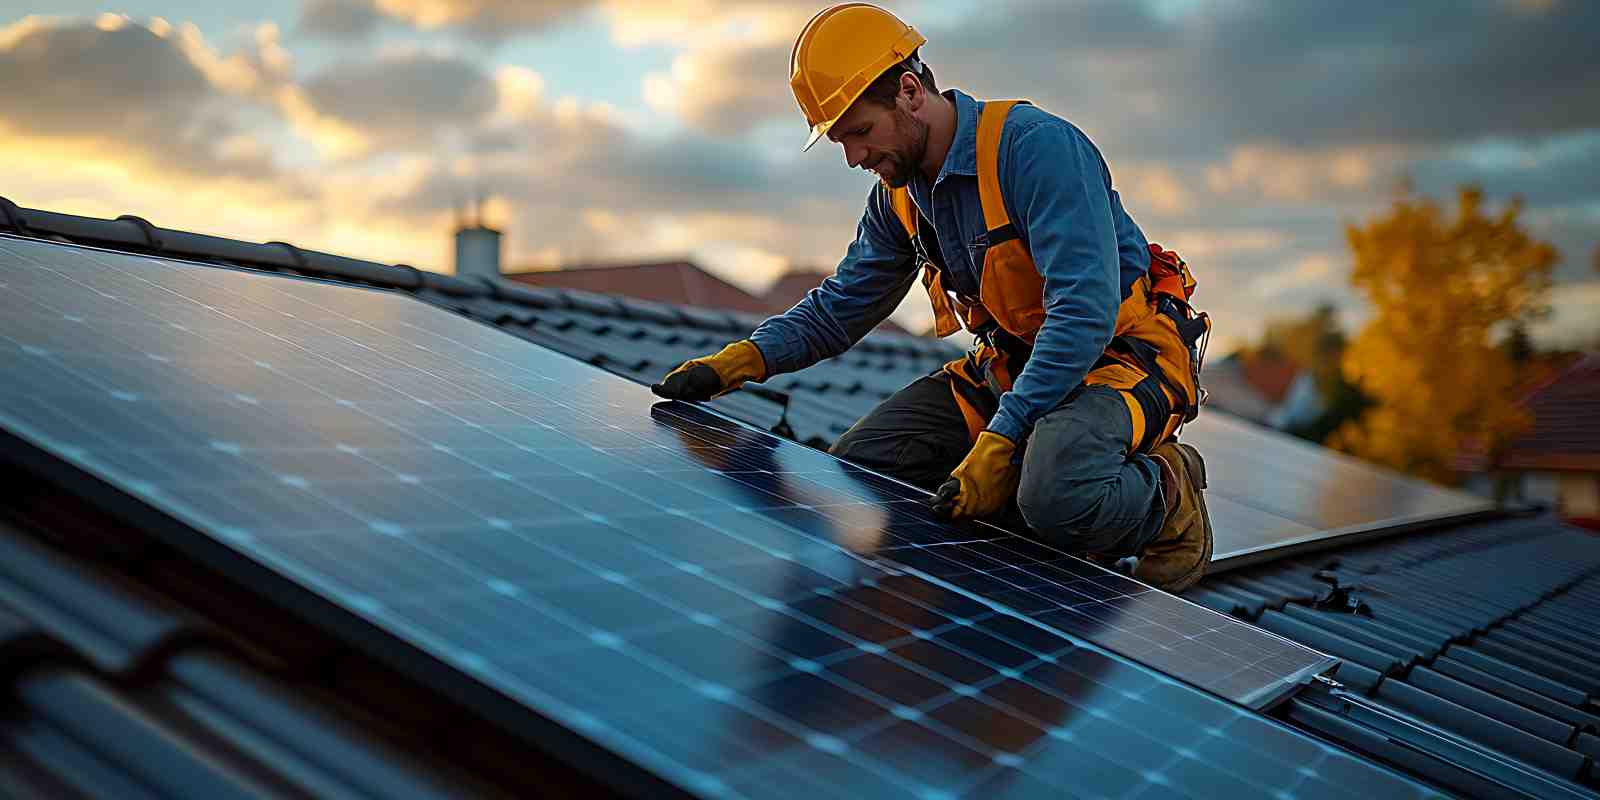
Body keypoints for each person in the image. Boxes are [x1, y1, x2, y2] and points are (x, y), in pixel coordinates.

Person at [652, 2, 1214, 592]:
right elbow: (840, 308)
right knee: (860, 472)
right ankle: (1030, 502)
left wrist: (1004, 434)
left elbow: (1084, 313)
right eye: (841, 141)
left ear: (911, 92)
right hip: (1014, 369)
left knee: (1055, 491)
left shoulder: (1035, 150)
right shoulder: (899, 197)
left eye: (860, 132)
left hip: (1121, 363)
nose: (854, 157)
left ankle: (1169, 493)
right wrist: (742, 360)